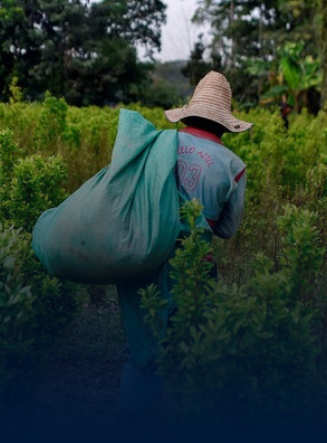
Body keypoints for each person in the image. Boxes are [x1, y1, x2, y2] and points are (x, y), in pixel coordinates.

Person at [116, 71, 251, 430]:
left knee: (143, 338)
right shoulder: (234, 167)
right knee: (190, 335)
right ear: (225, 123)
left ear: (188, 113)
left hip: (141, 254)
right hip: (193, 266)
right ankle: (186, 416)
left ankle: (131, 419)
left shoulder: (159, 144)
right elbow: (227, 229)